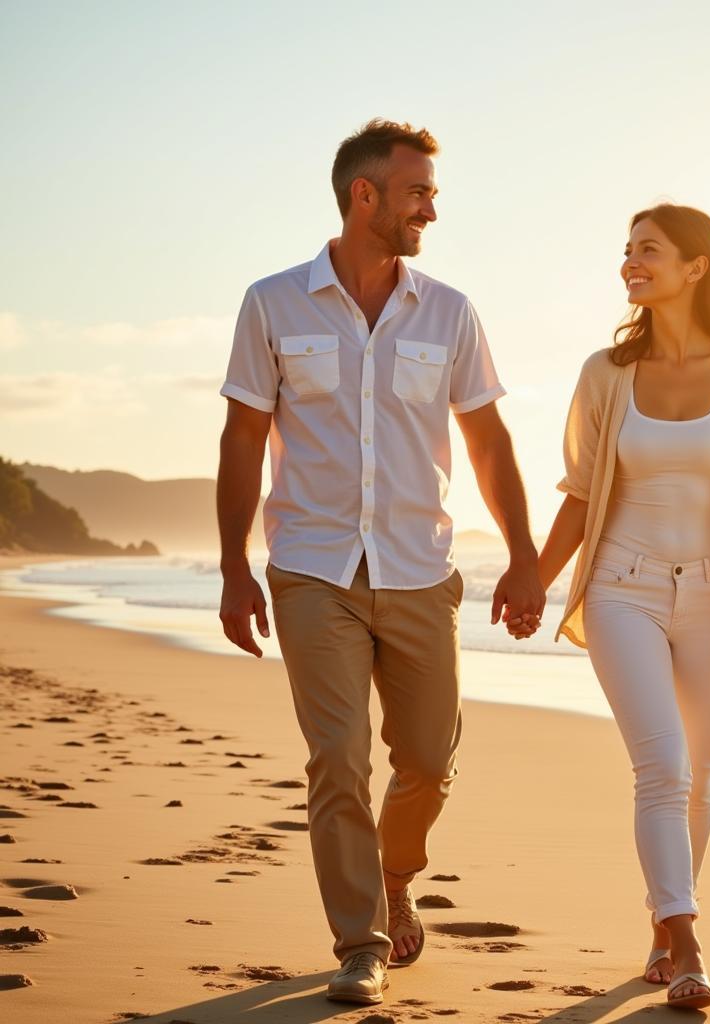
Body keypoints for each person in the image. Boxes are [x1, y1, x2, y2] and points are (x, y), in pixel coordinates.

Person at [216, 119, 544, 1007]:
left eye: (431, 193)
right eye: (417, 193)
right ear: (365, 196)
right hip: (313, 568)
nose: (432, 209)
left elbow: (487, 438)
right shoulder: (273, 302)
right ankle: (359, 941)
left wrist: (524, 556)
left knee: (430, 758)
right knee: (338, 758)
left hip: (417, 567)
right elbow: (245, 436)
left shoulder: (449, 310)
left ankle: (398, 874)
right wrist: (233, 567)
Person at [515, 204, 710, 1010]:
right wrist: (536, 578)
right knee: (663, 765)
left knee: (702, 776)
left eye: (647, 250)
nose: (629, 264)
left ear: (696, 267)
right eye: (626, 251)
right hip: (623, 585)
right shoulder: (604, 374)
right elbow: (581, 496)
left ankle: (660, 919)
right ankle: (687, 940)